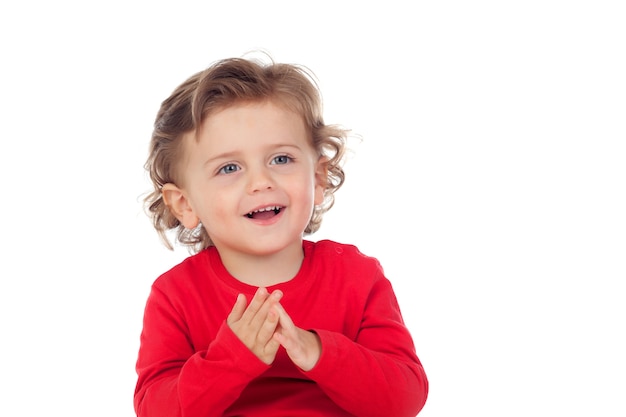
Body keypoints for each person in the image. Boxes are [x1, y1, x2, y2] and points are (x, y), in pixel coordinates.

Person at [134, 53, 428, 417]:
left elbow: (403, 399)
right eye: (229, 168)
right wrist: (231, 359)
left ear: (318, 177)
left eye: (281, 159)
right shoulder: (176, 296)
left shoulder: (357, 276)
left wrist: (318, 352)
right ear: (184, 203)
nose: (261, 182)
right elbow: (156, 410)